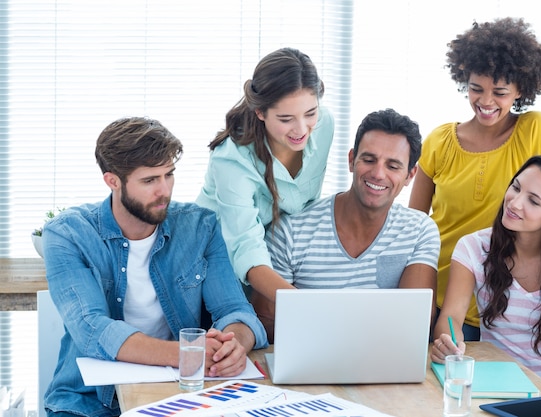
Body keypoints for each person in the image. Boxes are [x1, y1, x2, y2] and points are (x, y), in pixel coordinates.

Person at [42, 117, 268, 417]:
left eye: (169, 174)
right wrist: (188, 353)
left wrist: (235, 345)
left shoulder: (200, 227)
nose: (164, 190)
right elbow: (92, 329)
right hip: (88, 402)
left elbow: (234, 310)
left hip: (178, 394)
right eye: (150, 180)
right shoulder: (67, 234)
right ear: (113, 181)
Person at [408, 17, 541, 341]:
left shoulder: (535, 131)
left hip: (507, 307)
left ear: (521, 89)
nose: (486, 101)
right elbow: (414, 226)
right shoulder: (440, 141)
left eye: (501, 92)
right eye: (476, 89)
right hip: (441, 300)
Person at [431, 155, 541, 415]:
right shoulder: (474, 248)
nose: (514, 202)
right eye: (515, 187)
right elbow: (452, 317)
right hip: (497, 390)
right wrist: (449, 344)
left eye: (533, 200)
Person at [263, 108, 441, 340]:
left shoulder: (419, 231)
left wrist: (315, 315)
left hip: (384, 365)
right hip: (311, 365)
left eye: (393, 166)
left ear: (410, 175)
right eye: (369, 160)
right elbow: (268, 323)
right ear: (351, 160)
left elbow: (414, 323)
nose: (378, 174)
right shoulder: (290, 231)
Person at [196, 47, 334, 310]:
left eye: (310, 113)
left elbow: (305, 211)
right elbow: (245, 246)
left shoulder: (325, 125)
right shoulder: (231, 159)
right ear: (260, 112)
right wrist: (306, 305)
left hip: (275, 258)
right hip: (218, 258)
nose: (302, 129)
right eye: (286, 119)